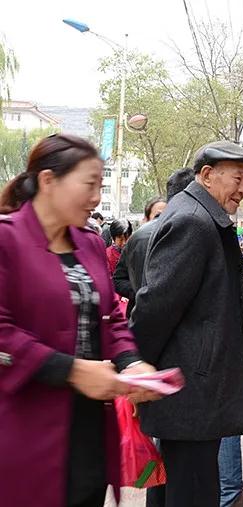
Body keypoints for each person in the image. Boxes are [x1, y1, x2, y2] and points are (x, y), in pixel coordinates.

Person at [0, 133, 158, 507]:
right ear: (48, 181)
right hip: (27, 427)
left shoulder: (88, 242)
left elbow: (111, 316)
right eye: (89, 184)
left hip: (89, 428)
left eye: (100, 185)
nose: (96, 198)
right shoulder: (7, 240)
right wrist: (72, 370)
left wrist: (131, 363)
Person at [130, 141, 243, 506]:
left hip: (193, 384)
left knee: (175, 485)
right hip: (192, 388)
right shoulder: (193, 221)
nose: (242, 189)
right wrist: (136, 367)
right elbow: (155, 306)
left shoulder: (200, 215)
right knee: (192, 489)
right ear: (207, 175)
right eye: (237, 179)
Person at [113, 169, 194, 318]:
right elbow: (118, 279)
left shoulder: (184, 236)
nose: (163, 219)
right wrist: (140, 293)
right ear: (146, 219)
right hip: (140, 313)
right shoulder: (136, 241)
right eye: (157, 216)